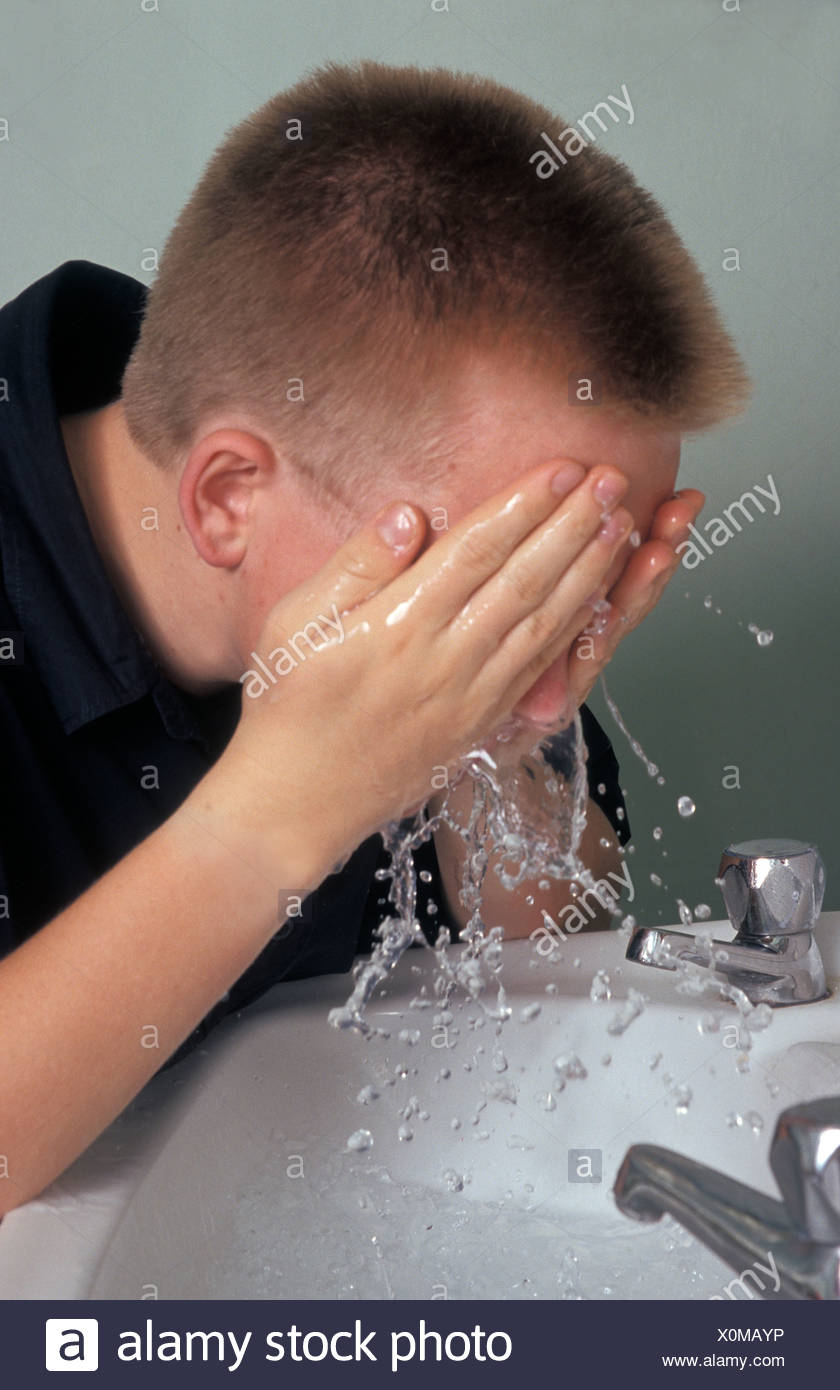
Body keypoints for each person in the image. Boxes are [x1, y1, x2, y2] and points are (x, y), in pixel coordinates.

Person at [0, 60, 749, 1216]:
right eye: (504, 580)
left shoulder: (379, 486)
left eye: (580, 579)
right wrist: (271, 819)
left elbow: (545, 961)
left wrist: (502, 742)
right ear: (227, 498)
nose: (536, 648)